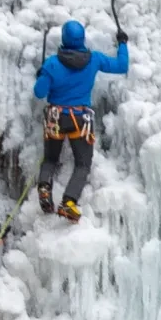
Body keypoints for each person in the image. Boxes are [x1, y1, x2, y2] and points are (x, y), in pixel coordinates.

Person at [33, 19, 128, 221]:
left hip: (55, 117)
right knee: (82, 164)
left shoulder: (51, 63)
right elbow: (122, 66)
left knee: (50, 159)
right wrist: (122, 43)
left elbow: (39, 92)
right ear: (82, 39)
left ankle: (44, 188)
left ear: (64, 39)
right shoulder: (93, 59)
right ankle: (68, 202)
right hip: (80, 119)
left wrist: (42, 74)